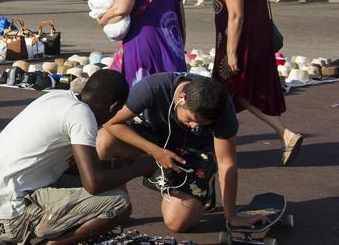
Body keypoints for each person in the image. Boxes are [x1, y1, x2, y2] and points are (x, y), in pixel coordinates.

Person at [0, 69, 154, 245]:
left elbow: (70, 167)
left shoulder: (58, 98)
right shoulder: (83, 116)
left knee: (100, 189)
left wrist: (120, 164)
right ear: (113, 107)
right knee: (119, 204)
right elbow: (94, 183)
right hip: (11, 218)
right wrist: (140, 168)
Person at [170, 0, 303, 166]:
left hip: (240, 45)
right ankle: (215, 141)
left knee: (233, 93)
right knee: (238, 93)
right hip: (254, 42)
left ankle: (284, 134)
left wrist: (231, 51)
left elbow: (236, 16)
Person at [97, 74, 258, 233]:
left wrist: (231, 216)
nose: (195, 126)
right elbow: (110, 122)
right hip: (154, 142)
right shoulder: (153, 87)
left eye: (202, 124)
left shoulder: (222, 106)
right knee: (105, 140)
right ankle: (119, 207)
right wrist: (155, 151)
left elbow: (226, 162)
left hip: (194, 155)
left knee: (177, 223)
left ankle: (204, 187)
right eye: (190, 119)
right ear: (182, 98)